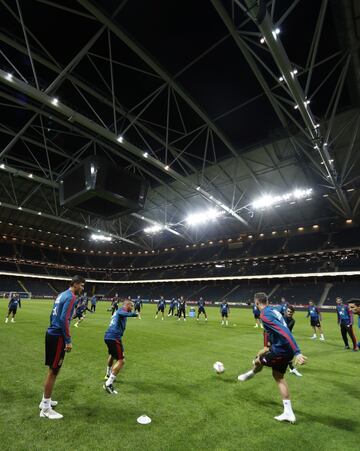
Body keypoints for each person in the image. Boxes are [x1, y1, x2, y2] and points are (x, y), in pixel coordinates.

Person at [238, 292, 307, 423]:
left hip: (280, 350)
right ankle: (288, 412)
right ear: (267, 301)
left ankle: (251, 373)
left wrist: (297, 352)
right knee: (278, 376)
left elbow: (285, 332)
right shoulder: (274, 309)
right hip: (284, 350)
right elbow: (282, 311)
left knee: (258, 360)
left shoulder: (265, 315)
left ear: (257, 302)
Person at [39, 275, 85, 419]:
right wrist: (68, 340)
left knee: (52, 370)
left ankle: (45, 401)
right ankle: (45, 409)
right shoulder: (71, 297)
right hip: (58, 336)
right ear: (76, 284)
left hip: (51, 332)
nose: (83, 288)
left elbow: (52, 316)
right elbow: (64, 318)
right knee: (54, 371)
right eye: (82, 285)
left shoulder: (61, 295)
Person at [103, 300, 138, 395]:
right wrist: (135, 314)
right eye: (132, 306)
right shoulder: (121, 311)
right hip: (114, 337)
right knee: (121, 361)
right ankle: (108, 383)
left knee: (112, 355)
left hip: (109, 336)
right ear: (127, 305)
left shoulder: (118, 311)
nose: (132, 308)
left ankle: (107, 374)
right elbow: (125, 313)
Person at [284, 306, 302, 376]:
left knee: (288, 354)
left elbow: (287, 330)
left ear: (293, 313)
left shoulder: (292, 321)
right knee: (267, 350)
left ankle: (291, 368)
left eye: (290, 312)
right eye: (288, 311)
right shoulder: (281, 317)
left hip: (285, 338)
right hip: (277, 337)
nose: (289, 313)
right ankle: (257, 360)